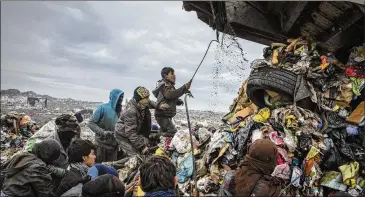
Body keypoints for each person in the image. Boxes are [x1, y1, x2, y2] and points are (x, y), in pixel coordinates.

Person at [115, 87, 169, 156]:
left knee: (145, 144)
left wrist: (159, 106)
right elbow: (130, 133)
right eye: (146, 98)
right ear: (139, 99)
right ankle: (111, 165)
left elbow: (150, 103)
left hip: (133, 132)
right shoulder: (131, 111)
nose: (148, 100)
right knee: (135, 156)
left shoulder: (142, 103)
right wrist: (142, 147)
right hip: (123, 135)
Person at [152, 67, 191, 136]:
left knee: (165, 130)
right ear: (165, 75)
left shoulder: (169, 85)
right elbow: (170, 95)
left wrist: (177, 101)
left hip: (165, 115)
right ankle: (155, 137)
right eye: (172, 73)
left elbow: (169, 98)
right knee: (172, 131)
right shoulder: (164, 85)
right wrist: (184, 87)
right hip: (162, 115)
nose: (174, 75)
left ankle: (159, 139)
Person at [88, 89, 124, 163]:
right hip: (102, 145)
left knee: (111, 169)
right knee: (100, 167)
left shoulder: (120, 111)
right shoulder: (103, 108)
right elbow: (91, 123)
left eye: (122, 97)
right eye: (119, 97)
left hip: (114, 147)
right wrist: (103, 132)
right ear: (113, 97)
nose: (121, 99)